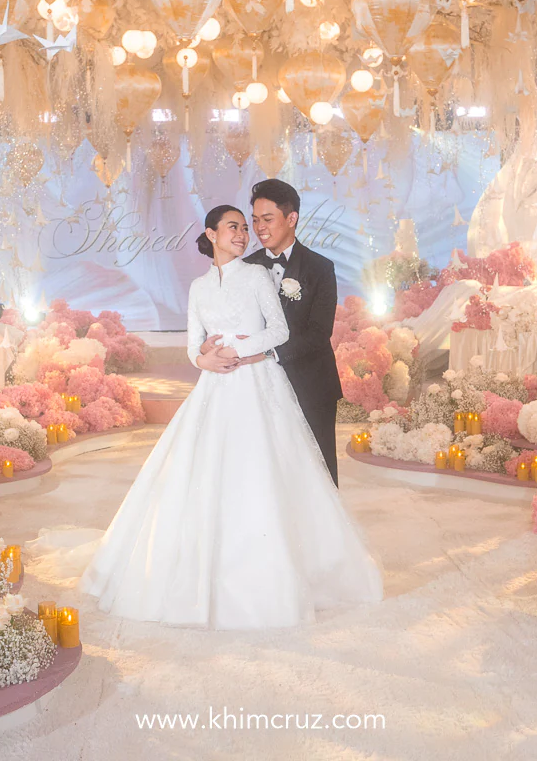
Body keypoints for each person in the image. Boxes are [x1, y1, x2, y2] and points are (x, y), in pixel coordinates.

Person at [77, 204, 382, 629]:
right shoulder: (198, 287)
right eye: (234, 227)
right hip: (216, 385)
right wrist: (206, 361)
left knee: (263, 473)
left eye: (246, 227)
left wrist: (234, 351)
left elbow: (279, 331)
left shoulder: (256, 276)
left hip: (257, 381)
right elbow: (191, 346)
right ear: (212, 234)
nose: (243, 234)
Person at [228, 178, 343, 486]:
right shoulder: (244, 268)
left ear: (291, 219)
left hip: (311, 383)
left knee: (318, 471)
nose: (259, 228)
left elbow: (320, 332)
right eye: (254, 221)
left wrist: (270, 352)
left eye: (267, 219)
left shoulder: (320, 268)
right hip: (260, 385)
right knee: (265, 472)